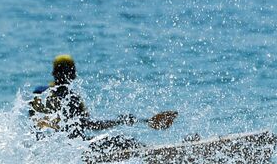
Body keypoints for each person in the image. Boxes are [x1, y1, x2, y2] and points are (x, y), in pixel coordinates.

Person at [29, 55, 175, 139]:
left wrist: (121, 121)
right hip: (71, 149)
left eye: (69, 72)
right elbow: (88, 125)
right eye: (67, 72)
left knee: (119, 140)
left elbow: (85, 125)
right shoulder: (64, 97)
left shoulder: (40, 93)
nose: (69, 76)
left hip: (60, 148)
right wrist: (119, 121)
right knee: (120, 141)